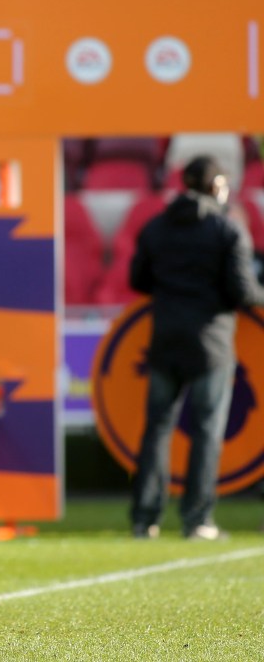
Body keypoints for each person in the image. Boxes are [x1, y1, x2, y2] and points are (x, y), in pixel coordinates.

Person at [129, 155, 264, 541]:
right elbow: (243, 292)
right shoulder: (227, 230)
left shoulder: (156, 227)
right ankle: (197, 519)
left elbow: (138, 279)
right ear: (217, 187)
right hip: (211, 343)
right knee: (206, 431)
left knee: (157, 429)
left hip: (165, 339)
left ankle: (144, 518)